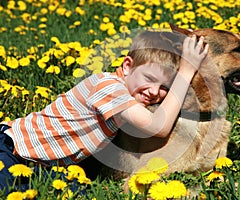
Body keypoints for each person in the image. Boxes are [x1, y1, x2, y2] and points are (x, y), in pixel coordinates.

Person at [0, 30, 209, 191]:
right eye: (149, 79)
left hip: (39, 166)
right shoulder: (108, 87)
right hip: (11, 150)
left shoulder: (123, 94)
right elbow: (158, 127)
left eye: (165, 87)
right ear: (127, 66)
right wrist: (186, 71)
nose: (155, 91)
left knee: (76, 190)